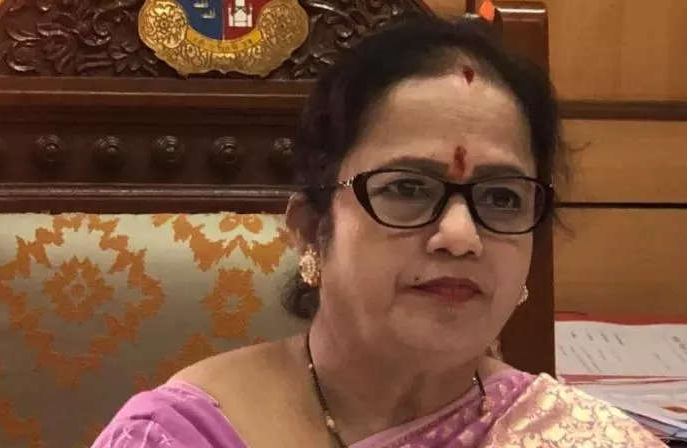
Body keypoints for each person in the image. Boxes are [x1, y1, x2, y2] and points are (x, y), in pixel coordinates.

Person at [91, 15, 665, 448]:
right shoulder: (179, 436)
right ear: (312, 230)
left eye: (501, 198)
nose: (461, 236)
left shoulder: (576, 436)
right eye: (408, 188)